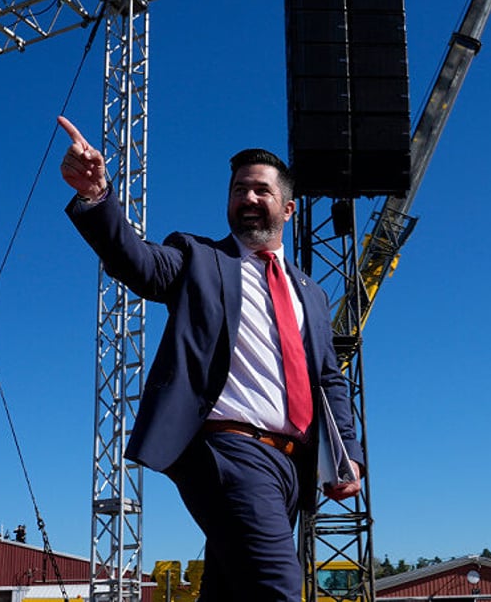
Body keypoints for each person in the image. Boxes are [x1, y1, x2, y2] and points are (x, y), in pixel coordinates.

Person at [57, 116, 363, 602]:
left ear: (287, 209)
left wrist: (347, 456)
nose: (248, 198)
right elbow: (137, 262)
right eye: (239, 189)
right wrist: (97, 194)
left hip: (291, 468)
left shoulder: (313, 294)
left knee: (228, 593)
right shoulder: (197, 258)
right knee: (278, 589)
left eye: (261, 191)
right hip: (227, 450)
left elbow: (330, 381)